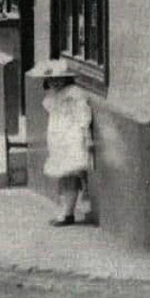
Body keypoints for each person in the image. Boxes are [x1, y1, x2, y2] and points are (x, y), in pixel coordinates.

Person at [39, 62, 92, 226]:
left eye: (59, 79)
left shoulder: (74, 95)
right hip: (59, 139)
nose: (55, 82)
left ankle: (68, 212)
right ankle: (65, 211)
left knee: (69, 175)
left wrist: (86, 135)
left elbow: (83, 116)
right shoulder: (53, 96)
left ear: (67, 79)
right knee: (63, 175)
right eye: (51, 79)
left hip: (71, 138)